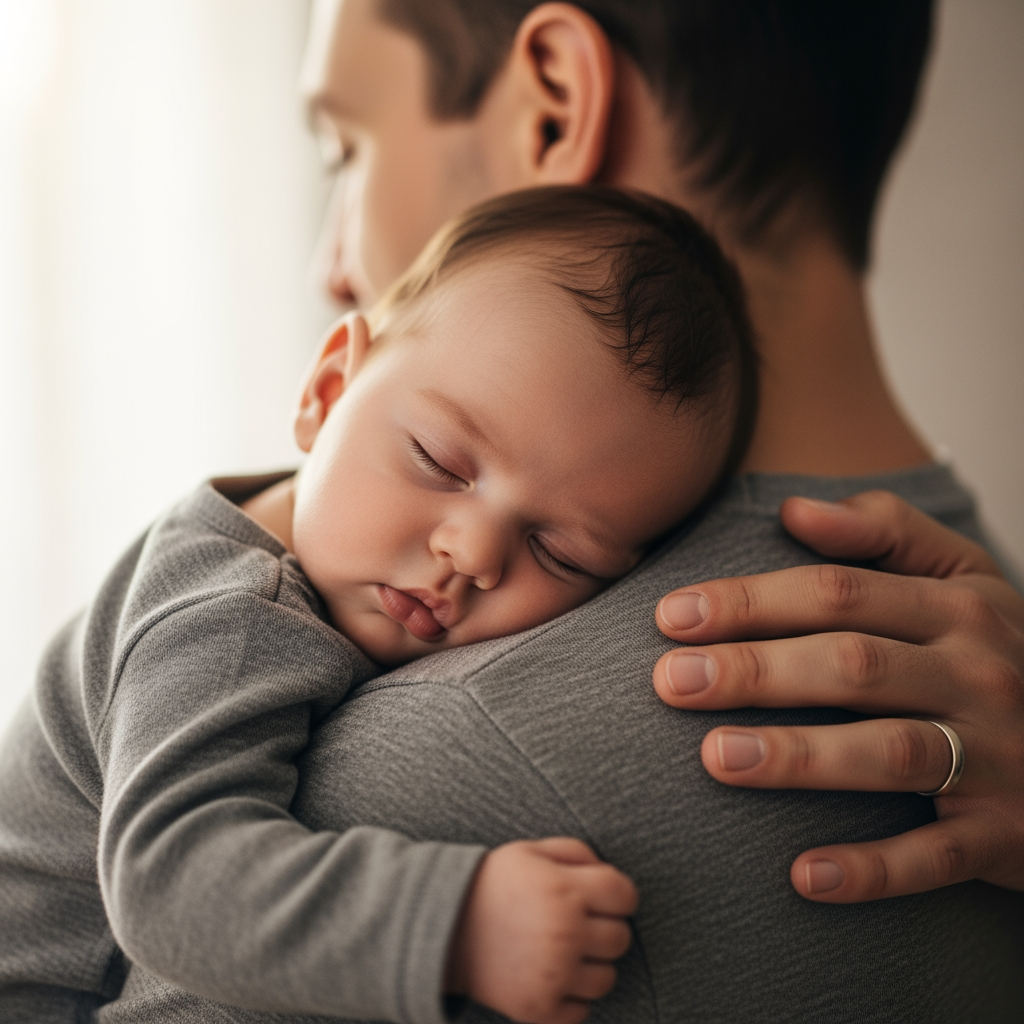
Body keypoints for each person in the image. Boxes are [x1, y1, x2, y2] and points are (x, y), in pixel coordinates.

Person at [42, 0, 1024, 1021]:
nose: (328, 266)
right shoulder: (983, 611)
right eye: (437, 459)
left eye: (347, 146)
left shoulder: (413, 783)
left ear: (554, 105)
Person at [0, 188, 760, 1023]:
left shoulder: (314, 560)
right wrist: (453, 925)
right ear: (327, 391)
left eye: (559, 553)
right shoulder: (231, 617)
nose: (471, 554)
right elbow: (168, 878)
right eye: (439, 461)